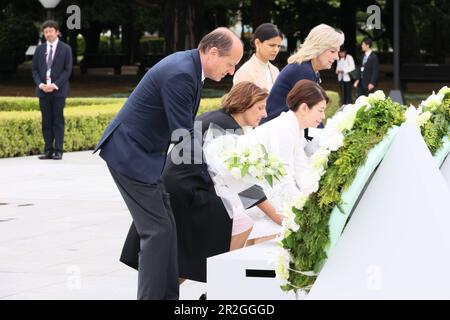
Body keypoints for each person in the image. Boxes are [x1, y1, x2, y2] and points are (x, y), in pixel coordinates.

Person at [94, 27, 243, 300]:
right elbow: (183, 135)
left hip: (144, 156)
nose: (231, 71)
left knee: (167, 229)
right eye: (230, 63)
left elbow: (185, 132)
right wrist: (212, 178)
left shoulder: (189, 67)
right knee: (157, 232)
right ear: (212, 53)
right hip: (130, 155)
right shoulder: (182, 73)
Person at [207, 79, 329, 243]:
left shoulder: (294, 128)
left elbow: (302, 172)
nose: (323, 116)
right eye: (320, 110)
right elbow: (283, 179)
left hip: (255, 193)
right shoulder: (285, 129)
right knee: (280, 227)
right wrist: (302, 211)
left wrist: (318, 199)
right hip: (242, 193)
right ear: (304, 108)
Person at [262, 24, 343, 124]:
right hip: (274, 133)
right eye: (332, 51)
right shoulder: (303, 71)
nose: (337, 57)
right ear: (318, 48)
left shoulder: (307, 68)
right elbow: (311, 115)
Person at [32, 20, 73, 160]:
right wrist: (41, 85)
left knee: (57, 120)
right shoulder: (39, 50)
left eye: (51, 31)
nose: (48, 34)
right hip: (42, 91)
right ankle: (48, 150)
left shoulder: (66, 49)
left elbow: (67, 70)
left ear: (57, 32)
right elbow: (35, 71)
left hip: (58, 91)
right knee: (46, 121)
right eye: (46, 32)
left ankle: (59, 150)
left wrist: (54, 85)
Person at [233, 23, 283, 92]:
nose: (276, 50)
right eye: (272, 45)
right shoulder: (244, 72)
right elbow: (240, 102)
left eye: (278, 46)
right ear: (257, 43)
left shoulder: (275, 71)